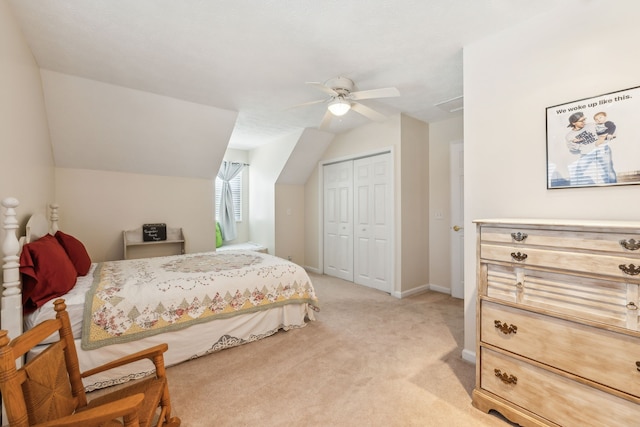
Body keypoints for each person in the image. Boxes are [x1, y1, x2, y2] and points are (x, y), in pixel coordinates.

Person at [565, 111, 617, 185]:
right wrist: (575, 142)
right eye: (581, 121)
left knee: (608, 170)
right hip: (586, 153)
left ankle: (613, 188)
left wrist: (610, 134)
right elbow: (573, 149)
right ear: (573, 123)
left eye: (584, 119)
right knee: (578, 172)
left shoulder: (592, 125)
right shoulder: (569, 135)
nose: (584, 122)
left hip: (602, 149)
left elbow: (609, 127)